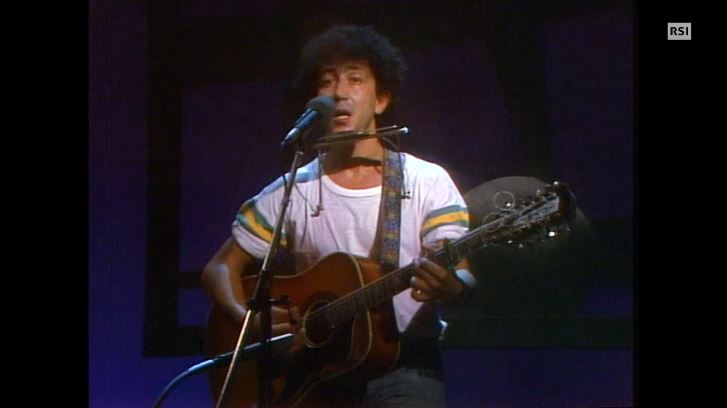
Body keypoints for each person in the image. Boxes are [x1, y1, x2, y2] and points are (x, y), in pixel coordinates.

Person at [202, 24, 477, 407]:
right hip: (318, 374)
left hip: (406, 367)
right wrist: (246, 320)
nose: (338, 92)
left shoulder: (425, 180)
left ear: (381, 99)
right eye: (327, 81)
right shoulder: (295, 188)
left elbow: (460, 271)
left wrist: (453, 285)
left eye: (354, 79)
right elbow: (219, 267)